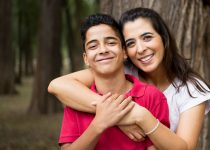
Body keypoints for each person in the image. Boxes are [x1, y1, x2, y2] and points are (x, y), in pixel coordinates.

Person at [49, 7, 210, 149]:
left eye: (147, 37)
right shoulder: (119, 68)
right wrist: (117, 114)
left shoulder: (190, 88)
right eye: (130, 43)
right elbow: (58, 85)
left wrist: (141, 116)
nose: (141, 49)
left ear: (163, 39)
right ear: (125, 52)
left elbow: (185, 148)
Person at [57, 13, 169, 150]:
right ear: (86, 59)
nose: (103, 50)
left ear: (124, 52)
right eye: (93, 46)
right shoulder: (76, 102)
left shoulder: (152, 97)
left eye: (111, 43)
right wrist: (99, 124)